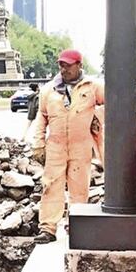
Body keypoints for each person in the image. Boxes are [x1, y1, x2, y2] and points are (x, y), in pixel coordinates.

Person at [31, 49, 104, 243]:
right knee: (50, 186)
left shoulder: (92, 87)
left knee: (79, 188)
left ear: (79, 65)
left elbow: (111, 104)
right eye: (61, 65)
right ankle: (48, 229)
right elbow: (42, 117)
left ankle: (76, 227)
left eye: (68, 65)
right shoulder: (49, 90)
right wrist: (38, 143)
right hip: (56, 145)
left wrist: (97, 118)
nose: (64, 69)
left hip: (81, 146)